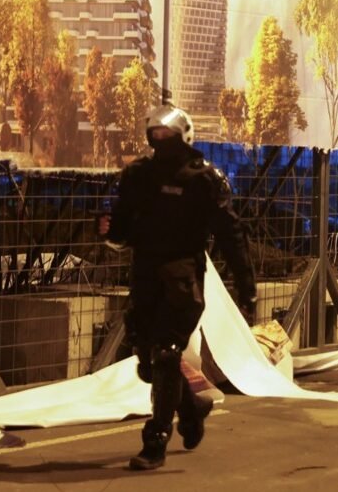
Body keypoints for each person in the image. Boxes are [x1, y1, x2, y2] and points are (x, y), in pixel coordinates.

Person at [98, 105, 257, 470]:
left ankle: (155, 442)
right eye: (156, 135)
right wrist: (108, 231)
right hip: (145, 277)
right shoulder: (138, 175)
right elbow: (122, 230)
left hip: (183, 278)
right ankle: (192, 407)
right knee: (148, 362)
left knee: (167, 354)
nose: (162, 140)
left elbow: (231, 235)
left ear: (184, 135)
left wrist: (246, 288)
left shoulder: (204, 179)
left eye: (168, 135)